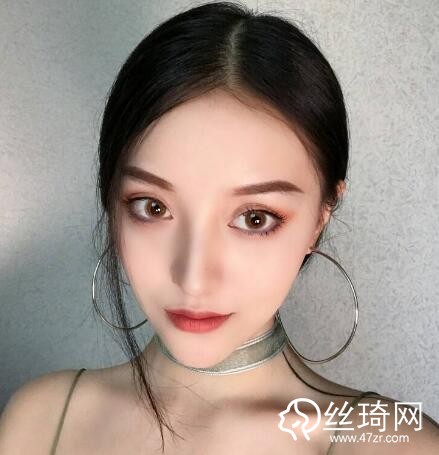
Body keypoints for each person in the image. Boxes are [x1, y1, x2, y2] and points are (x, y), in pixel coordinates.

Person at [0, 2, 438, 453]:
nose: (193, 279)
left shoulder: (396, 444)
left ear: (320, 217)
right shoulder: (41, 419)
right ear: (112, 201)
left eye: (254, 218)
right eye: (153, 207)